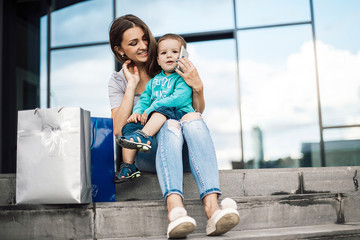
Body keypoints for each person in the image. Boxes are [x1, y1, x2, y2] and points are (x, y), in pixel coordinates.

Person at [108, 14, 239, 238]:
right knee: (169, 124)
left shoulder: (168, 63)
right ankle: (176, 212)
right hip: (148, 152)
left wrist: (198, 87)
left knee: (192, 120)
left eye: (144, 38)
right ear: (120, 50)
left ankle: (212, 210)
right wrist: (131, 86)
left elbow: (196, 110)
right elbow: (119, 130)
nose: (143, 46)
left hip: (185, 148)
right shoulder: (118, 80)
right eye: (133, 43)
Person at [115, 34, 198, 182]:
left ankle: (143, 136)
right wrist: (137, 112)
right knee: (129, 127)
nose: (169, 56)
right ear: (158, 60)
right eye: (164, 53)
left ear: (184, 56)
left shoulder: (182, 78)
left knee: (160, 111)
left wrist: (152, 108)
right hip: (156, 119)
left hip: (177, 116)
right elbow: (144, 99)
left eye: (174, 52)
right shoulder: (154, 82)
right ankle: (128, 166)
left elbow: (179, 98)